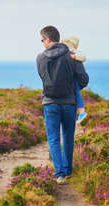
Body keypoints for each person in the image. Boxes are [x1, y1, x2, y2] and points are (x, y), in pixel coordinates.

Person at [36, 26, 89, 184]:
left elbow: (43, 78)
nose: (42, 43)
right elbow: (84, 79)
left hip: (50, 103)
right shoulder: (72, 56)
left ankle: (59, 174)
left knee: (53, 139)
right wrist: (73, 88)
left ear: (48, 39)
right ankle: (68, 171)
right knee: (67, 137)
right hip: (69, 103)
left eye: (42, 40)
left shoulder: (40, 58)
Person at [61, 36, 88, 124]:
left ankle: (82, 112)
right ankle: (80, 112)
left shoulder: (73, 51)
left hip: (75, 76)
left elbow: (83, 57)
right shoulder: (68, 51)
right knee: (75, 93)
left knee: (76, 92)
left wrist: (75, 56)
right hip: (73, 75)